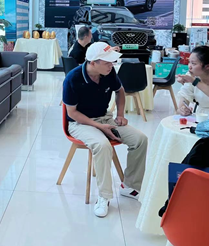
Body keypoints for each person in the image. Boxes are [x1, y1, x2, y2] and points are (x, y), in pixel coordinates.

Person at [63, 42, 148, 218]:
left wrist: (120, 114)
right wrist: (100, 127)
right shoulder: (73, 78)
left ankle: (130, 186)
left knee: (140, 139)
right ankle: (104, 196)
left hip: (105, 118)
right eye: (107, 62)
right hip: (80, 123)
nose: (112, 65)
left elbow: (120, 91)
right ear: (93, 62)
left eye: (112, 62)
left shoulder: (108, 73)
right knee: (102, 145)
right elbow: (72, 113)